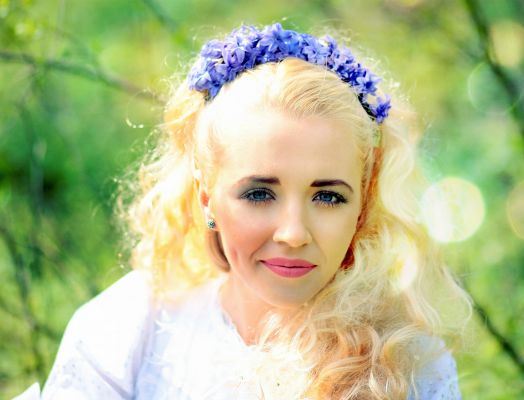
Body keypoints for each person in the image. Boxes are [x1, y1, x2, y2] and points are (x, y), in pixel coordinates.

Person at [16, 22, 472, 399]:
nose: (294, 233)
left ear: (363, 205)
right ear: (206, 196)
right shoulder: (128, 327)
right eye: (259, 193)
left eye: (328, 196)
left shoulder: (411, 365)